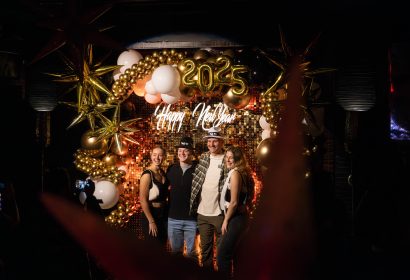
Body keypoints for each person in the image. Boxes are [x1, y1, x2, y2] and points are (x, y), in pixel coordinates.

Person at [189, 127, 227, 271]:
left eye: (215, 141)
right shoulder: (204, 157)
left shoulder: (226, 159)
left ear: (221, 142)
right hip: (203, 214)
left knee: (223, 251)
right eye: (209, 141)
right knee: (205, 252)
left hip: (219, 214)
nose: (211, 144)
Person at [217, 146, 254, 278]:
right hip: (239, 218)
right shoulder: (241, 172)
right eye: (226, 157)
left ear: (237, 159)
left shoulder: (236, 174)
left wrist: (226, 220)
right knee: (236, 254)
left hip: (235, 219)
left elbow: (233, 202)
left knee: (222, 256)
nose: (227, 160)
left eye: (231, 157)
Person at [166, 136, 198, 260]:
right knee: (175, 255)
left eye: (185, 150)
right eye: (180, 150)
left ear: (191, 152)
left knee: (192, 255)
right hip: (173, 219)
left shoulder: (198, 170)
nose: (182, 153)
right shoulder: (171, 169)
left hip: (191, 220)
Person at [139, 145, 169, 247]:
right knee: (153, 248)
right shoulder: (147, 175)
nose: (157, 158)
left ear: (164, 157)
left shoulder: (162, 173)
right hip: (151, 214)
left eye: (160, 155)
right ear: (151, 156)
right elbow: (143, 200)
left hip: (163, 215)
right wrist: (151, 221)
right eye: (154, 155)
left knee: (162, 246)